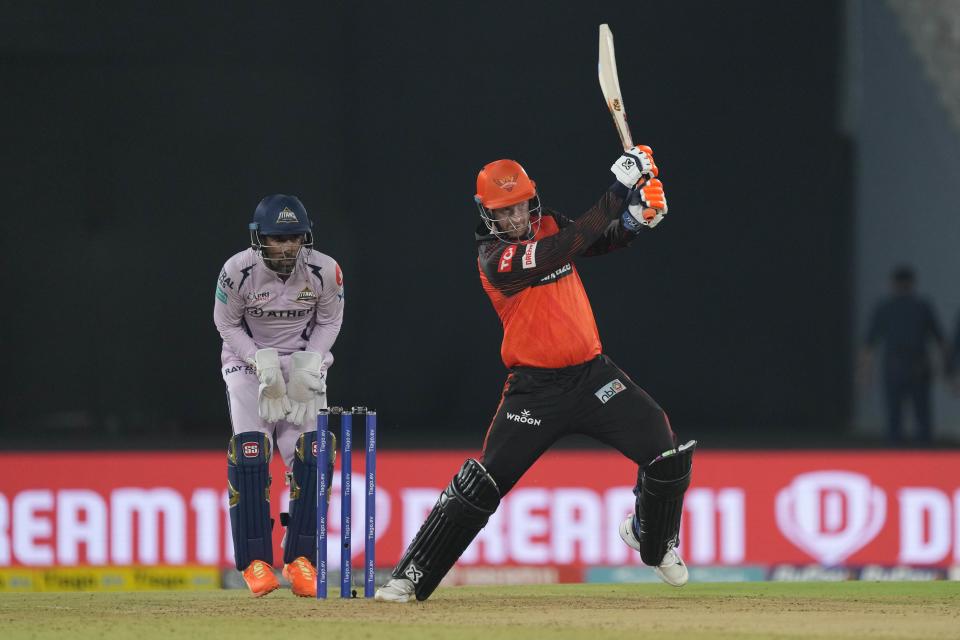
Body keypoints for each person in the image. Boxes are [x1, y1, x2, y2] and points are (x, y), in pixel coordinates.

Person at [375, 146, 696, 603]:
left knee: (665, 453)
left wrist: (635, 219)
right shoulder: (494, 260)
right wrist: (617, 190)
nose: (516, 219)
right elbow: (563, 249)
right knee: (483, 483)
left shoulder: (548, 223)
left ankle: (651, 535)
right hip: (534, 393)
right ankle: (410, 577)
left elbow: (596, 239)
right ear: (487, 215)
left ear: (532, 200)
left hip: (593, 377)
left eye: (521, 206)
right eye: (503, 212)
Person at [213, 194, 344, 597]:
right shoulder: (236, 272)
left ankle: (300, 558)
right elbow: (226, 324)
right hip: (247, 363)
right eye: (276, 239)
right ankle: (254, 562)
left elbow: (330, 319)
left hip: (301, 363)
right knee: (251, 451)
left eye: (293, 238)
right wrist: (259, 362)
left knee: (312, 454)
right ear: (259, 239)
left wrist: (312, 362)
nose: (286, 247)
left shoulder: (326, 270)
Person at [859, 265, 947, 444]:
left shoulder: (885, 308)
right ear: (912, 283)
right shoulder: (922, 306)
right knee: (922, 418)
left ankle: (895, 460)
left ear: (892, 284)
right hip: (919, 367)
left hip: (894, 368)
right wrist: (945, 370)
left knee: (894, 418)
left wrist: (864, 373)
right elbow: (940, 341)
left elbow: (869, 344)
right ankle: (925, 459)